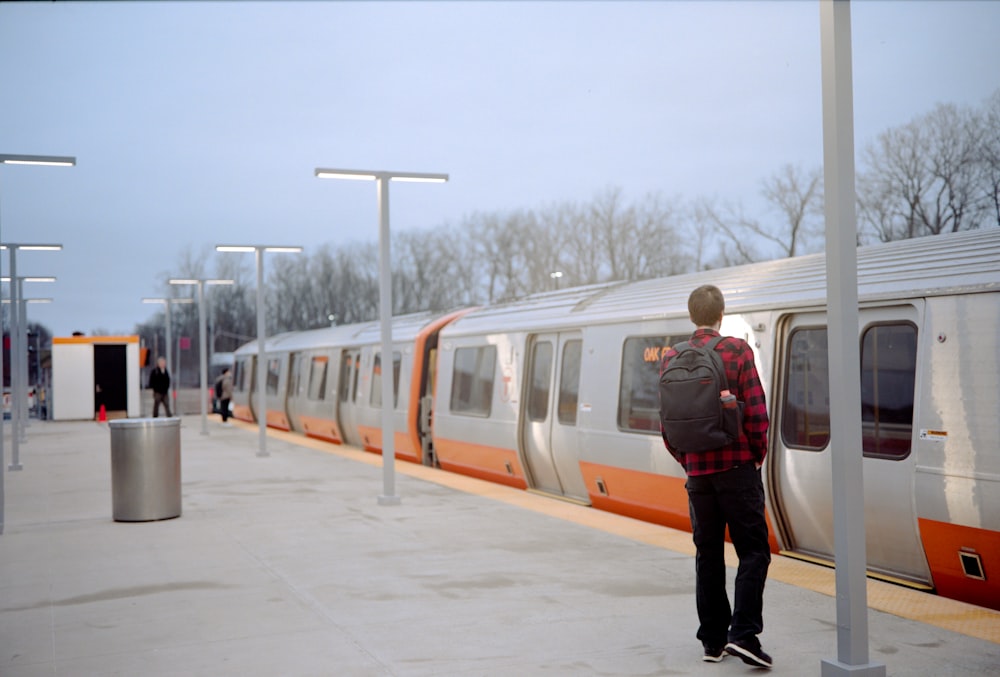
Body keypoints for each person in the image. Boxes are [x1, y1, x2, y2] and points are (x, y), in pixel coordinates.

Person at [659, 284, 772, 669]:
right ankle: (743, 635)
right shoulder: (737, 350)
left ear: (692, 316)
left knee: (708, 555)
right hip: (737, 470)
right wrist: (756, 456)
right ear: (721, 314)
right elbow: (756, 413)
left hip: (698, 476)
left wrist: (688, 460)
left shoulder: (672, 356)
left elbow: (667, 424)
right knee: (753, 551)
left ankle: (712, 641)